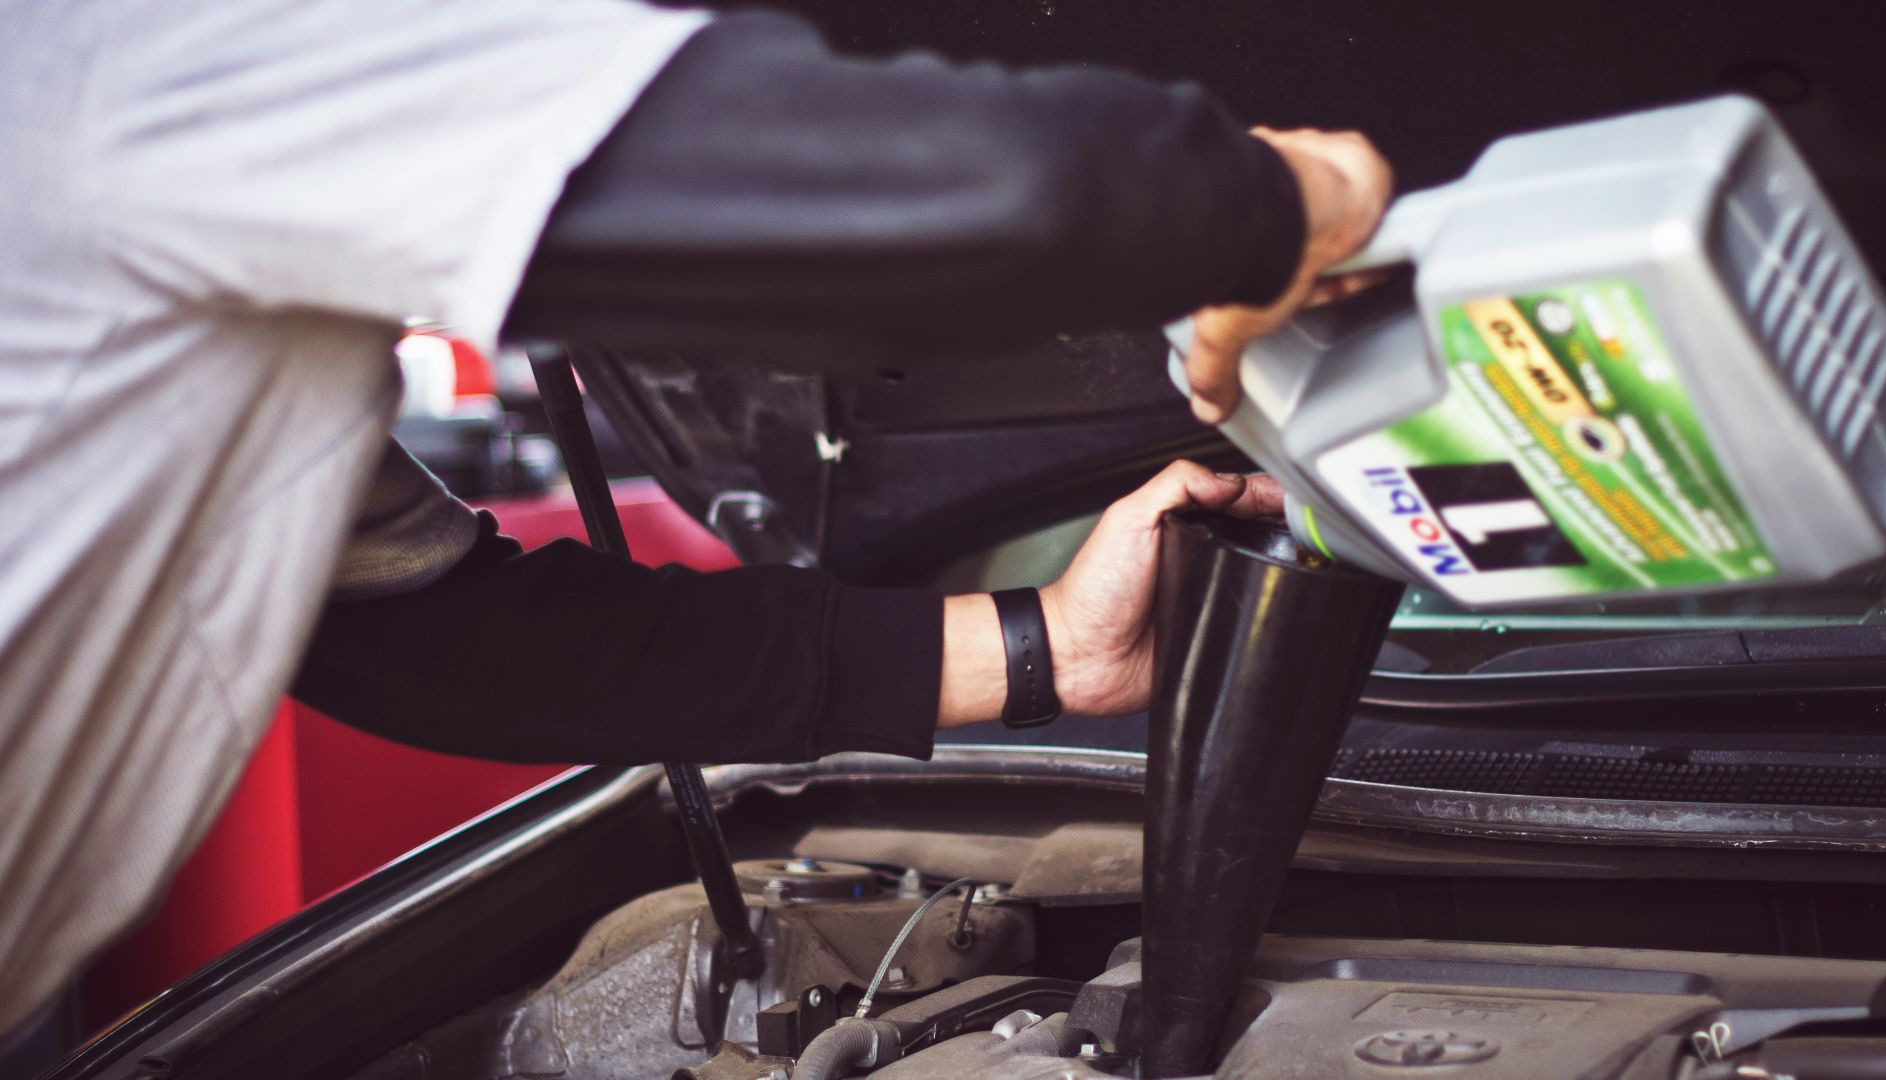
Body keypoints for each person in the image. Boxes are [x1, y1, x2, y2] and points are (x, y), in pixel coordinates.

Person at [0, 0, 1390, 1040]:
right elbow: (934, 185)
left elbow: (434, 639)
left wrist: (1045, 651)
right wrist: (1289, 201)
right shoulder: (138, 52)